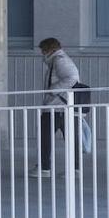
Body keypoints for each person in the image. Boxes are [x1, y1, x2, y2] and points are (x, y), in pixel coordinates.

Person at [33, 37, 82, 178]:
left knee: (45, 137)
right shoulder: (58, 60)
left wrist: (53, 90)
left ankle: (44, 168)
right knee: (70, 138)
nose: (42, 53)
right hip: (63, 106)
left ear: (50, 49)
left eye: (43, 50)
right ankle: (74, 168)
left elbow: (72, 78)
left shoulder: (60, 60)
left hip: (57, 106)